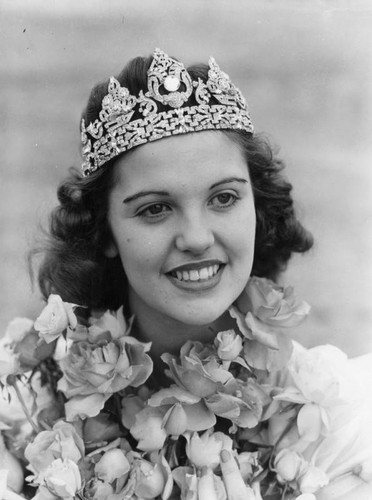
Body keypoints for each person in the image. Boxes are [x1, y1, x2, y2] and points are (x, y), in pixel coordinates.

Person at [7, 48, 370, 500]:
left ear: (257, 207)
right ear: (104, 233)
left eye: (223, 199)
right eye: (155, 209)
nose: (196, 238)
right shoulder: (24, 408)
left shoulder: (334, 420)